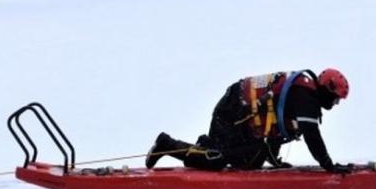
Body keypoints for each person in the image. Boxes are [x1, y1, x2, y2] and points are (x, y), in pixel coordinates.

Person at [146, 68, 351, 173]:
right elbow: (312, 136)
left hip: (239, 111)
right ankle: (167, 144)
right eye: (335, 99)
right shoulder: (305, 98)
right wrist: (329, 165)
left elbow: (275, 122)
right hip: (232, 110)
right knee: (217, 159)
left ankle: (207, 146)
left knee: (250, 161)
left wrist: (274, 160)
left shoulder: (302, 92)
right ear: (327, 89)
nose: (335, 104)